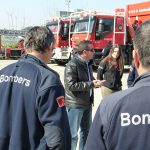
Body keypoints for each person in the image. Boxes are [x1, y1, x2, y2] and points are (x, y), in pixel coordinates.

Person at [0, 26, 71, 150]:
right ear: (49, 46)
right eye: (53, 49)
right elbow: (57, 137)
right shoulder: (48, 80)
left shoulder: (4, 72)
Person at [84, 20, 150, 150]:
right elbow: (100, 74)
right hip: (108, 88)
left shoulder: (110, 107)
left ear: (135, 58)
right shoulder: (105, 62)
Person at [64, 40, 105, 150]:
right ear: (84, 52)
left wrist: (95, 83)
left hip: (87, 102)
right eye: (92, 50)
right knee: (72, 135)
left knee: (86, 133)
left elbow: (88, 80)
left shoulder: (88, 64)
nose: (94, 52)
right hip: (75, 105)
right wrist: (91, 84)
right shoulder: (72, 64)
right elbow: (71, 85)